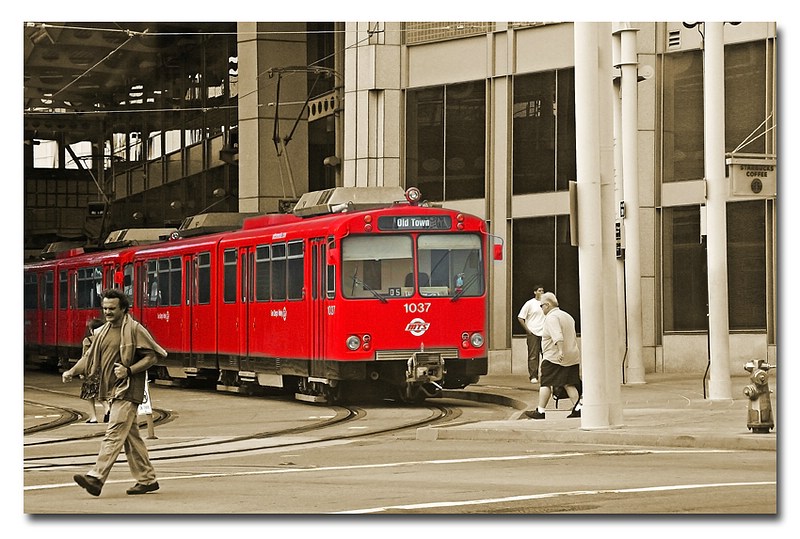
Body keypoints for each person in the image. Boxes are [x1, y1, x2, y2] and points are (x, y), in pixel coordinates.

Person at [62, 288, 167, 496]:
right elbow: (89, 359)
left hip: (128, 390)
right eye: (105, 309)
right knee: (130, 436)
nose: (107, 312)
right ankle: (147, 479)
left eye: (111, 309)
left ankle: (96, 477)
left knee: (114, 432)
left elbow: (153, 356)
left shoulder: (134, 329)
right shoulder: (101, 332)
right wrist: (72, 371)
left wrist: (129, 370)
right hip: (111, 390)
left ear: (123, 309)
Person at [523, 292, 582, 419]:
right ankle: (578, 408)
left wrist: (560, 351)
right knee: (569, 383)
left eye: (542, 306)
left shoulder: (551, 318)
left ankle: (541, 411)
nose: (541, 308)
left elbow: (557, 336)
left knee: (545, 383)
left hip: (554, 357)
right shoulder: (567, 316)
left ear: (548, 305)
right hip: (572, 356)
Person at [78, 318, 110, 423]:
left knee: (89, 394)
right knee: (101, 393)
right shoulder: (106, 339)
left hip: (92, 371)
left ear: (92, 330)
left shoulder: (88, 340)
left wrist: (81, 371)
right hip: (104, 370)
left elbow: (85, 357)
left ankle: (93, 417)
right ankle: (107, 410)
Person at [517, 285, 546, 384]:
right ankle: (533, 376)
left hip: (544, 332)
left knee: (546, 354)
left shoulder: (546, 303)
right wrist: (528, 330)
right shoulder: (530, 304)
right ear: (535, 292)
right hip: (533, 332)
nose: (541, 292)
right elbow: (520, 317)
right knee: (533, 355)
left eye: (542, 290)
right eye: (539, 290)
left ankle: (546, 375)